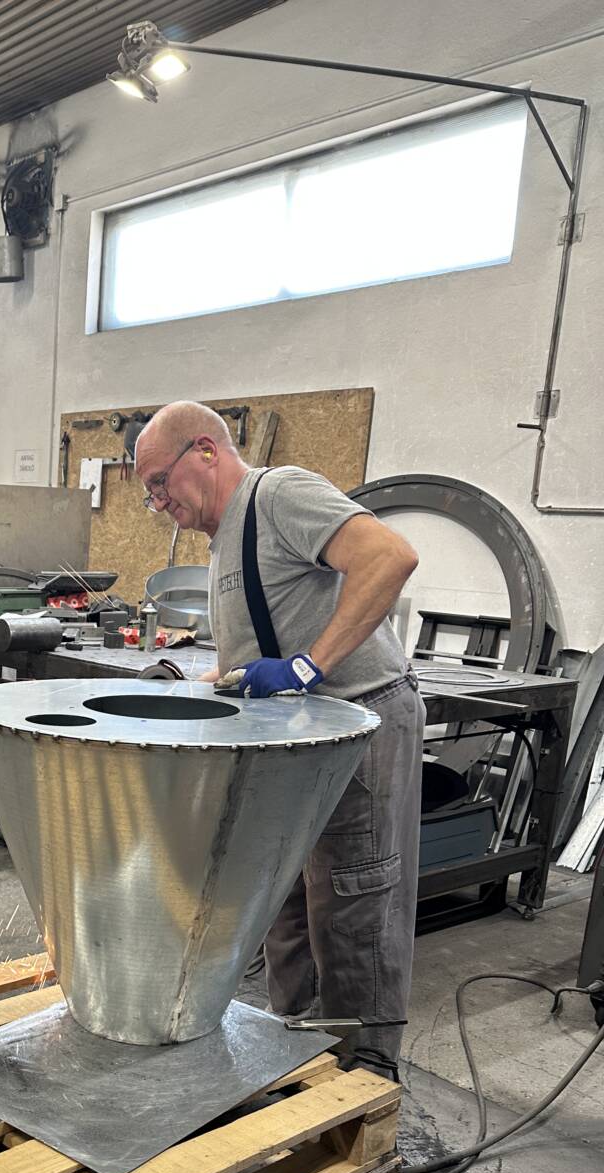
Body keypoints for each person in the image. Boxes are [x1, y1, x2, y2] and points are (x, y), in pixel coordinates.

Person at [134, 401, 423, 1079]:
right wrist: (197, 687)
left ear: (205, 451)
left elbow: (389, 557)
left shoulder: (278, 495)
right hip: (303, 739)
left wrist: (306, 667)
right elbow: (257, 651)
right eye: (150, 493)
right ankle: (301, 1054)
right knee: (284, 904)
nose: (158, 502)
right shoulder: (227, 539)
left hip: (359, 722)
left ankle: (364, 1078)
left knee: (354, 902)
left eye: (159, 483)